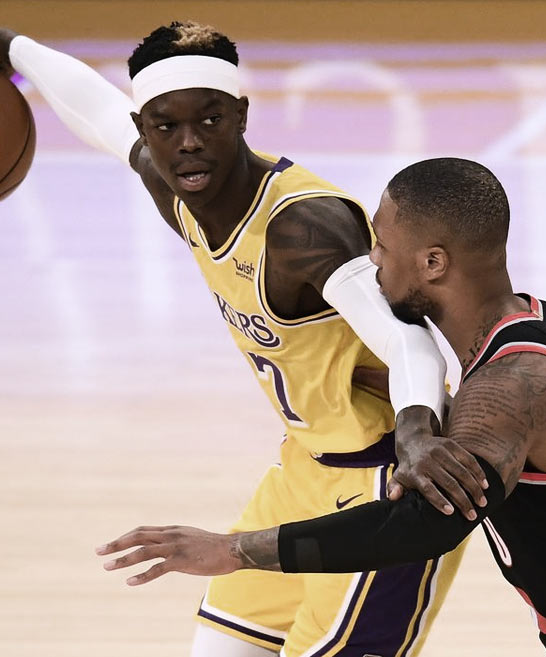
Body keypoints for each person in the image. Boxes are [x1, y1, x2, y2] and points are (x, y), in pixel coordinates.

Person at [0, 23, 484, 657]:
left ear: (242, 116)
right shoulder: (176, 187)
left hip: (387, 485)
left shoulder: (303, 226)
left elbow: (407, 340)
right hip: (305, 469)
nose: (190, 142)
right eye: (166, 126)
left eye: (210, 120)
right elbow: (95, 110)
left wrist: (418, 435)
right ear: (146, 129)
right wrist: (12, 47)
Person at [96, 157, 546, 657]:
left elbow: (427, 524)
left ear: (433, 263)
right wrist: (444, 406)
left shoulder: (510, 385)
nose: (370, 260)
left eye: (381, 245)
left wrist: (233, 550)